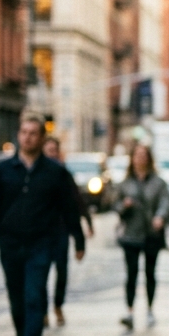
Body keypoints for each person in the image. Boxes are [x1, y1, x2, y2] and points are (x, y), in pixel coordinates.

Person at [0, 113, 86, 336]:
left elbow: (69, 208)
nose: (27, 137)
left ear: (41, 138)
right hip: (10, 244)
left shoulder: (55, 172)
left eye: (33, 133)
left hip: (41, 243)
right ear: (19, 135)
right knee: (17, 303)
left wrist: (78, 239)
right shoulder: (4, 171)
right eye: (24, 132)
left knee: (35, 297)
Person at [41, 136, 95, 326]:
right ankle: (43, 311)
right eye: (48, 151)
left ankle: (58, 305)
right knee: (41, 273)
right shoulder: (35, 174)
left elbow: (76, 203)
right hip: (41, 234)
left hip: (61, 231)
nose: (51, 154)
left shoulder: (63, 174)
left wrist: (83, 231)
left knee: (61, 272)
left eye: (54, 151)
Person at [115, 143, 169, 329]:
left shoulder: (157, 182)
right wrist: (125, 205)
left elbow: (165, 201)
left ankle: (150, 309)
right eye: (137, 155)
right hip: (131, 233)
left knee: (150, 273)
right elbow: (115, 204)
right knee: (131, 274)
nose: (140, 159)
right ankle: (129, 311)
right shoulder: (125, 183)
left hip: (151, 234)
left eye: (144, 155)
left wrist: (160, 217)